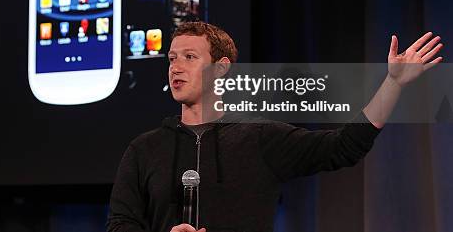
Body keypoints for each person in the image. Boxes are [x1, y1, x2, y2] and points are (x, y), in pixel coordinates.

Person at [106, 21, 443, 232]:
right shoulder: (145, 149)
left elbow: (345, 146)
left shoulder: (260, 138)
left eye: (189, 57)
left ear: (221, 69)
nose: (175, 67)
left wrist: (394, 84)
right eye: (171, 58)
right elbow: (120, 224)